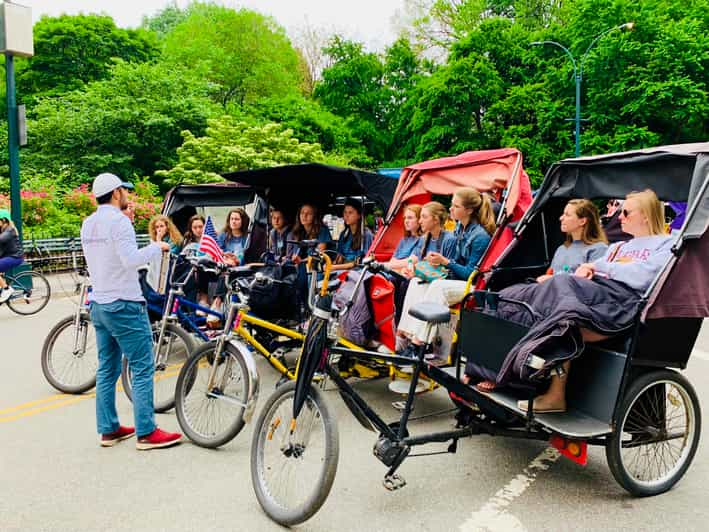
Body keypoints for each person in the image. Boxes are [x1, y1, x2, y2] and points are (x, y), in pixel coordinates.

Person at [472, 190, 672, 414]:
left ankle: (541, 388)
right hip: (595, 294)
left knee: (561, 293)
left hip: (620, 304)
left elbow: (643, 275)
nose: (620, 217)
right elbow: (596, 269)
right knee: (516, 293)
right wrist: (593, 268)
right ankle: (491, 367)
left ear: (645, 215)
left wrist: (598, 267)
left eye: (625, 212)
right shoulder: (618, 247)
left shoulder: (666, 244)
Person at [81, 172, 182, 450]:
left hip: (99, 302)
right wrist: (155, 246)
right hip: (124, 302)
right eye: (123, 191)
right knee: (142, 365)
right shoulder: (119, 222)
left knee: (107, 368)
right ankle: (147, 431)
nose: (126, 195)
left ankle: (109, 429)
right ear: (115, 194)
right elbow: (130, 260)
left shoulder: (88, 224)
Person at [397, 190, 495, 354]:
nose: (450, 209)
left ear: (469, 210)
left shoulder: (480, 236)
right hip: (454, 280)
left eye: (455, 206)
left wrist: (445, 262)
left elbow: (470, 274)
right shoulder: (459, 229)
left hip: (472, 286)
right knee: (415, 283)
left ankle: (419, 343)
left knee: (438, 286)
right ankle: (406, 333)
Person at [535, 199, 608, 283]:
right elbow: (549, 274)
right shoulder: (561, 249)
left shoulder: (599, 249)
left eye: (567, 215)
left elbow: (594, 285)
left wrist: (553, 279)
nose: (561, 218)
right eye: (563, 214)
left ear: (582, 221)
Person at [332, 197, 374, 271]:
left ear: (359, 215)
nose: (346, 215)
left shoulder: (366, 234)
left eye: (350, 212)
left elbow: (360, 263)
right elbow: (339, 258)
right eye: (345, 212)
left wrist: (335, 267)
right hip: (341, 271)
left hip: (357, 273)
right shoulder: (344, 234)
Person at [385, 204, 422, 271]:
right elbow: (393, 260)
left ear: (420, 220)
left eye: (410, 218)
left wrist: (383, 265)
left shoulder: (422, 240)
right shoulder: (404, 240)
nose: (406, 221)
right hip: (393, 271)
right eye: (405, 218)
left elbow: (411, 261)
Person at [0, 209, 23, 303]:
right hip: (7, 257)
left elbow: (1, 239)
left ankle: (6, 289)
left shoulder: (9, 230)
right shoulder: (2, 230)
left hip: (15, 257)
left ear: (4, 220)